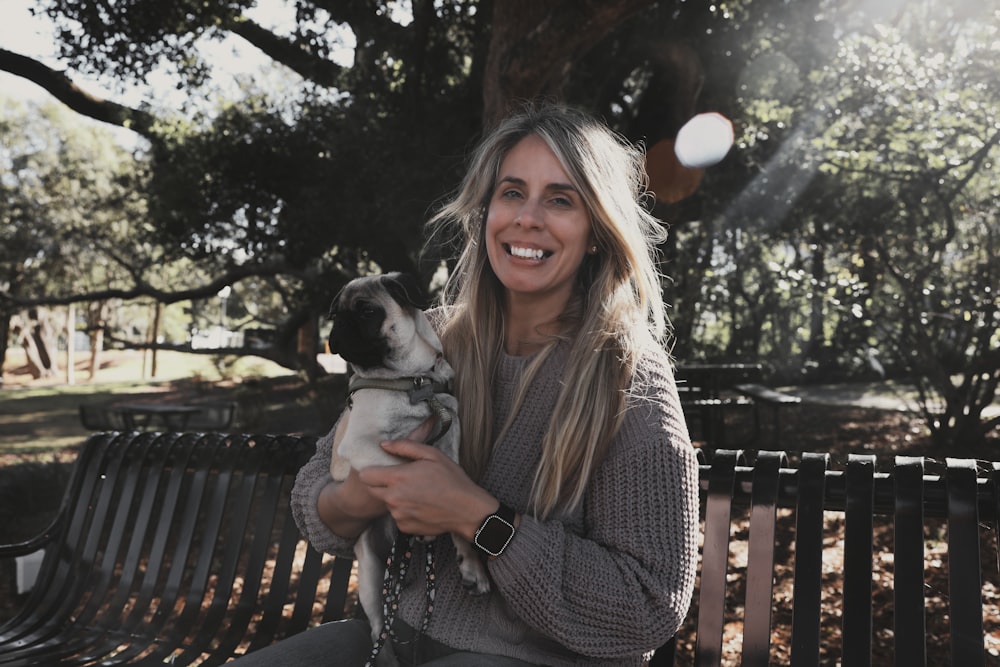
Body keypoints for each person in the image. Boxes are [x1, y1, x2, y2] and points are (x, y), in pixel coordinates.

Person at [232, 104, 700, 666]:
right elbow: (316, 496)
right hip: (390, 640)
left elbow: (647, 605)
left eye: (560, 199)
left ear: (598, 233)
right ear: (485, 212)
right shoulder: (434, 340)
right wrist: (361, 494)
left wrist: (479, 519)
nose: (528, 218)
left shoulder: (628, 376)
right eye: (511, 192)